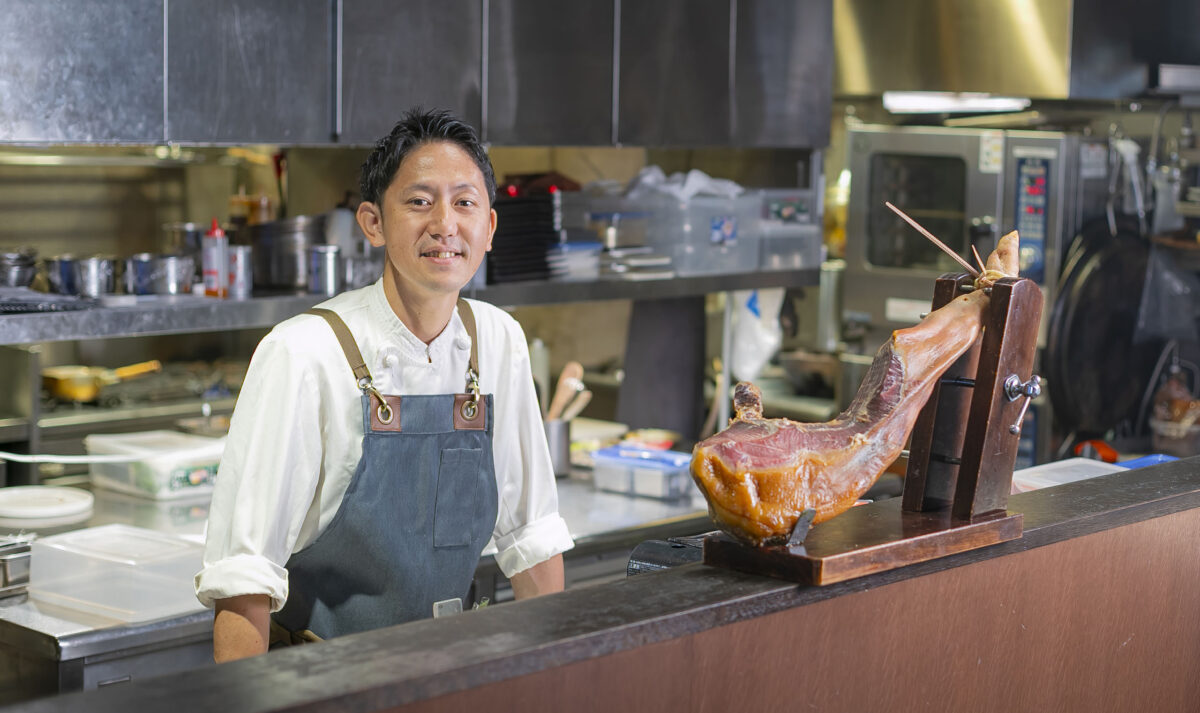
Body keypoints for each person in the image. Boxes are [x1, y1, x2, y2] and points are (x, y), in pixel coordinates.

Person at [195, 108, 574, 662]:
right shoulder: (303, 352)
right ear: (372, 223)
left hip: (452, 669)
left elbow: (532, 537)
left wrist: (552, 680)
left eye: (465, 203)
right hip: (319, 678)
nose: (445, 224)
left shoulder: (499, 340)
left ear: (490, 228)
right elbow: (244, 576)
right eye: (419, 201)